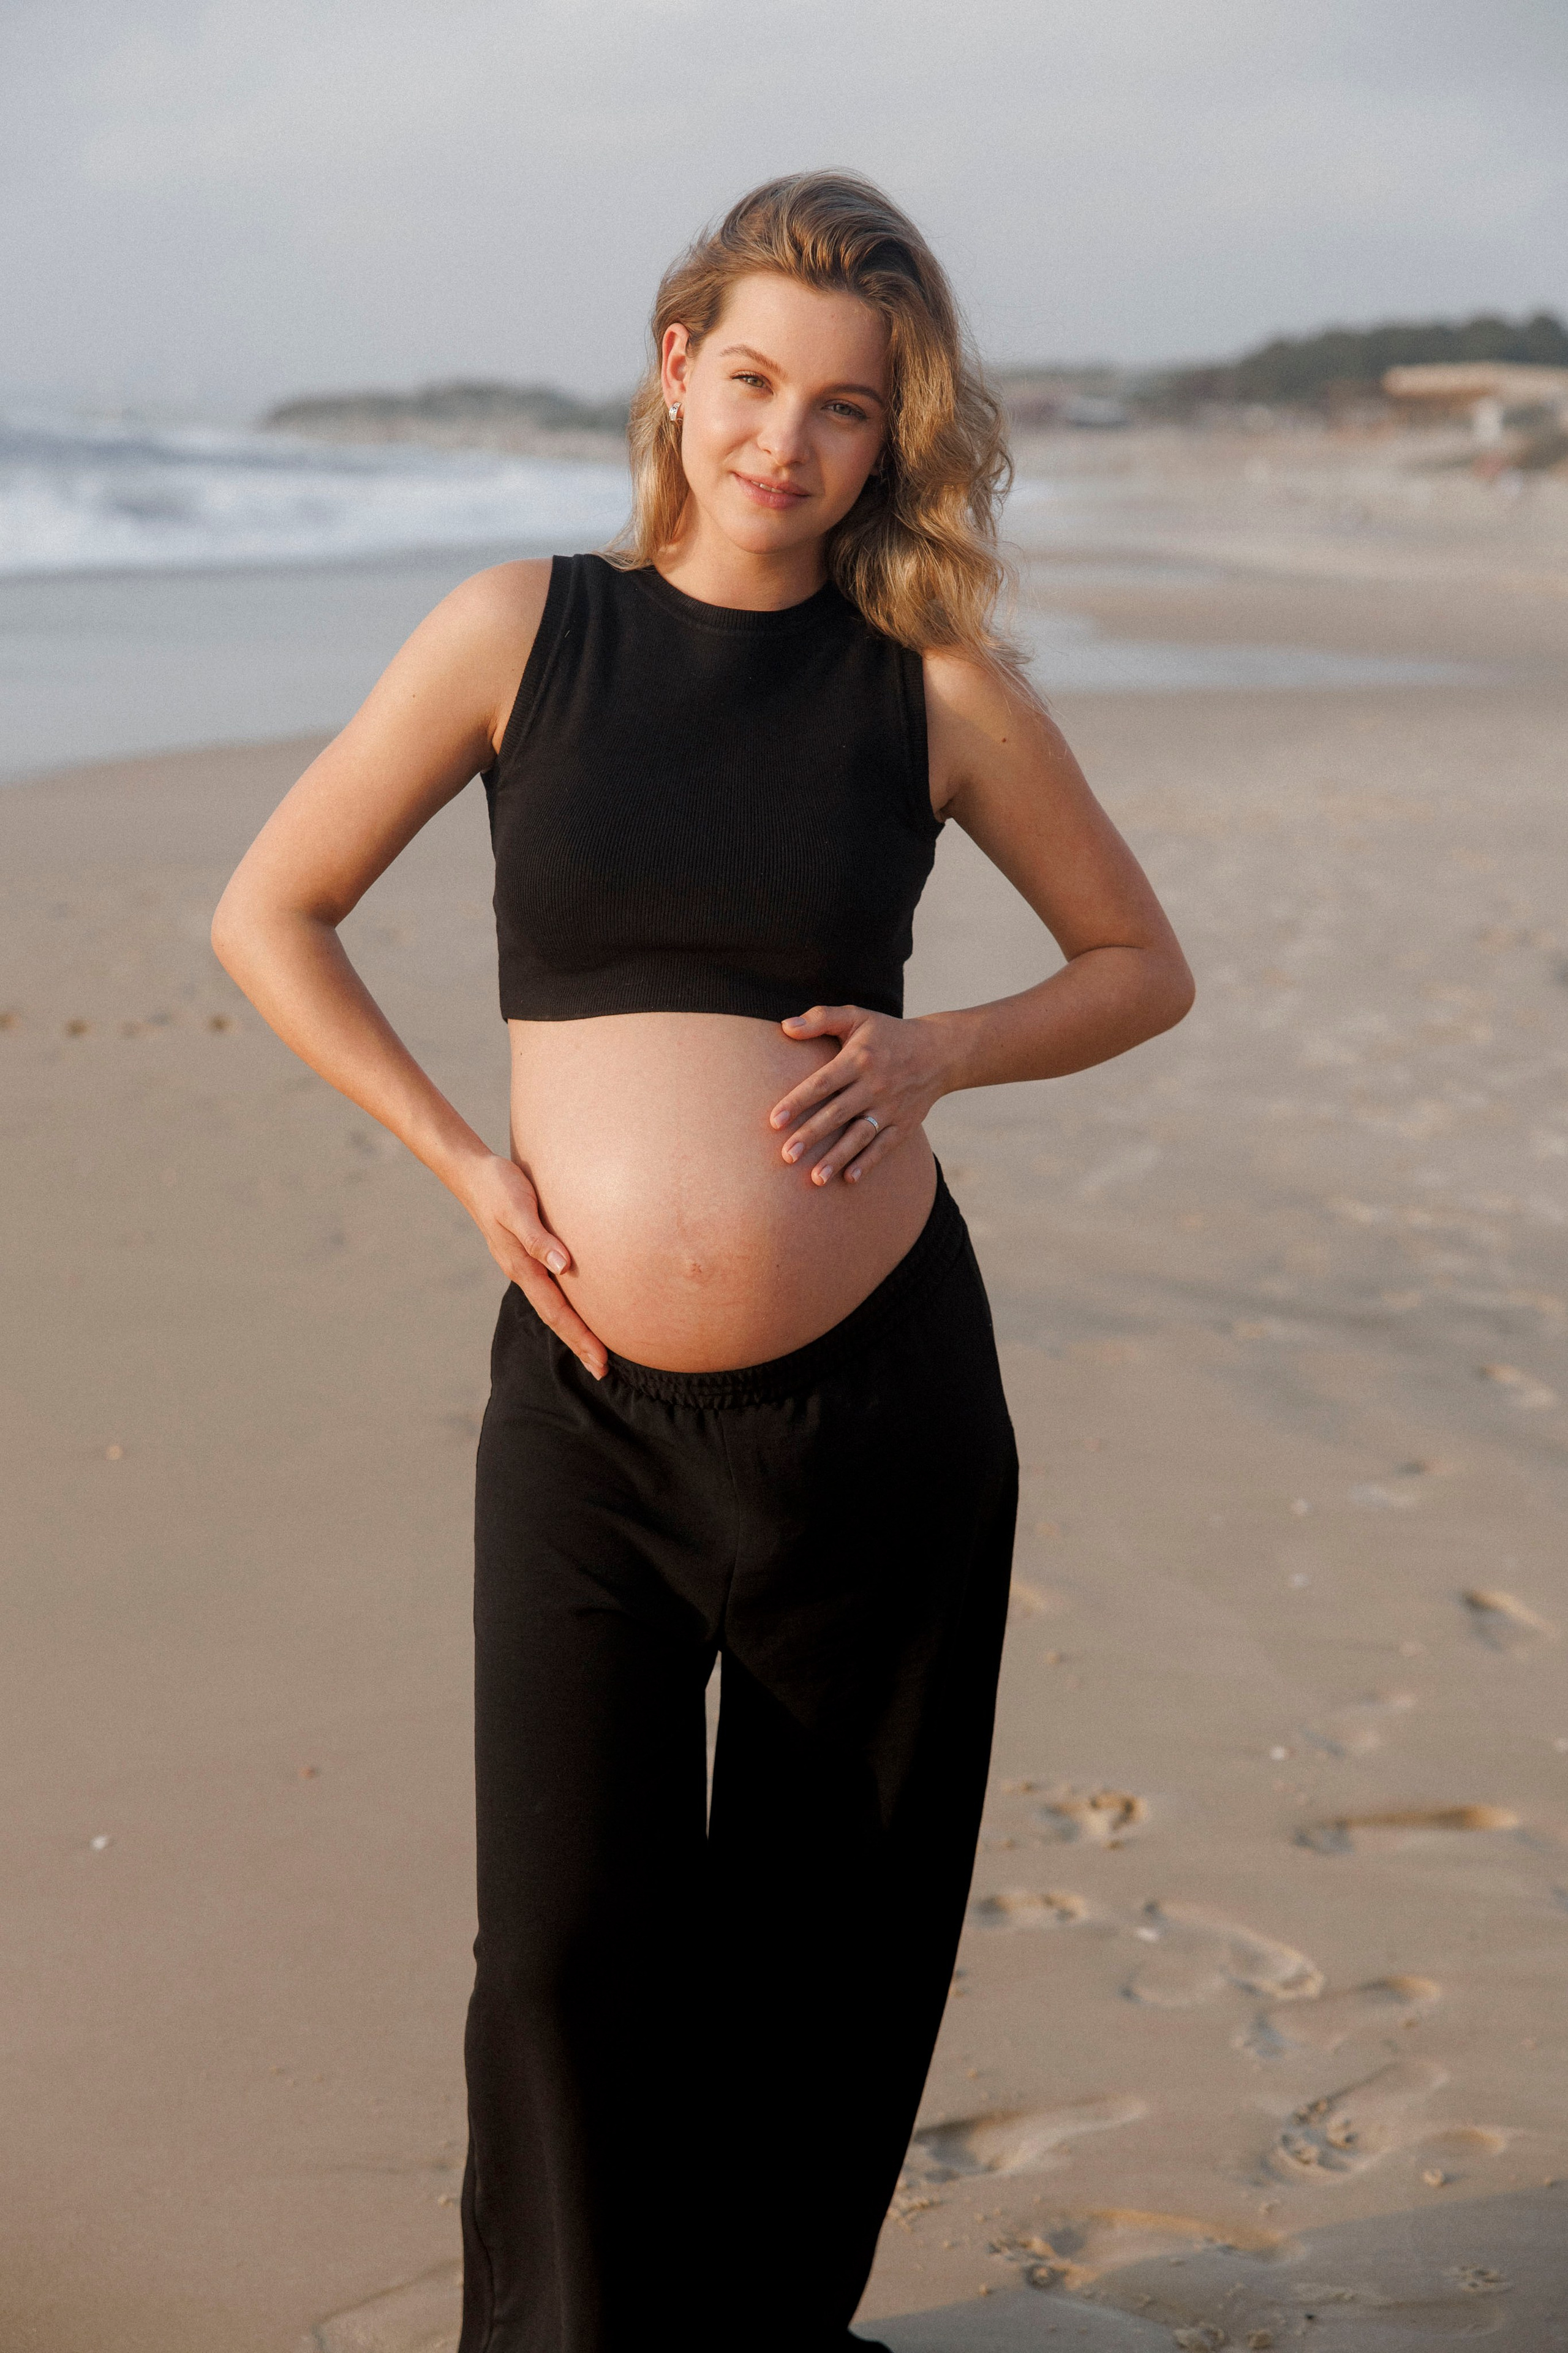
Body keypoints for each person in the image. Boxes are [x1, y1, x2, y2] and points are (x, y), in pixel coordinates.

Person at [213, 171, 1193, 2353]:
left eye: (845, 408)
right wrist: (463, 1160)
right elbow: (270, 911)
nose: (786, 441)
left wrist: (939, 1050)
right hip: (585, 1413)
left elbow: (1139, 964)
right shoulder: (520, 634)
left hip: (881, 1412)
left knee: (831, 1942)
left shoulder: (928, 686)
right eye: (753, 381)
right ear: (678, 368)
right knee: (564, 1944)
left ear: (891, 433)